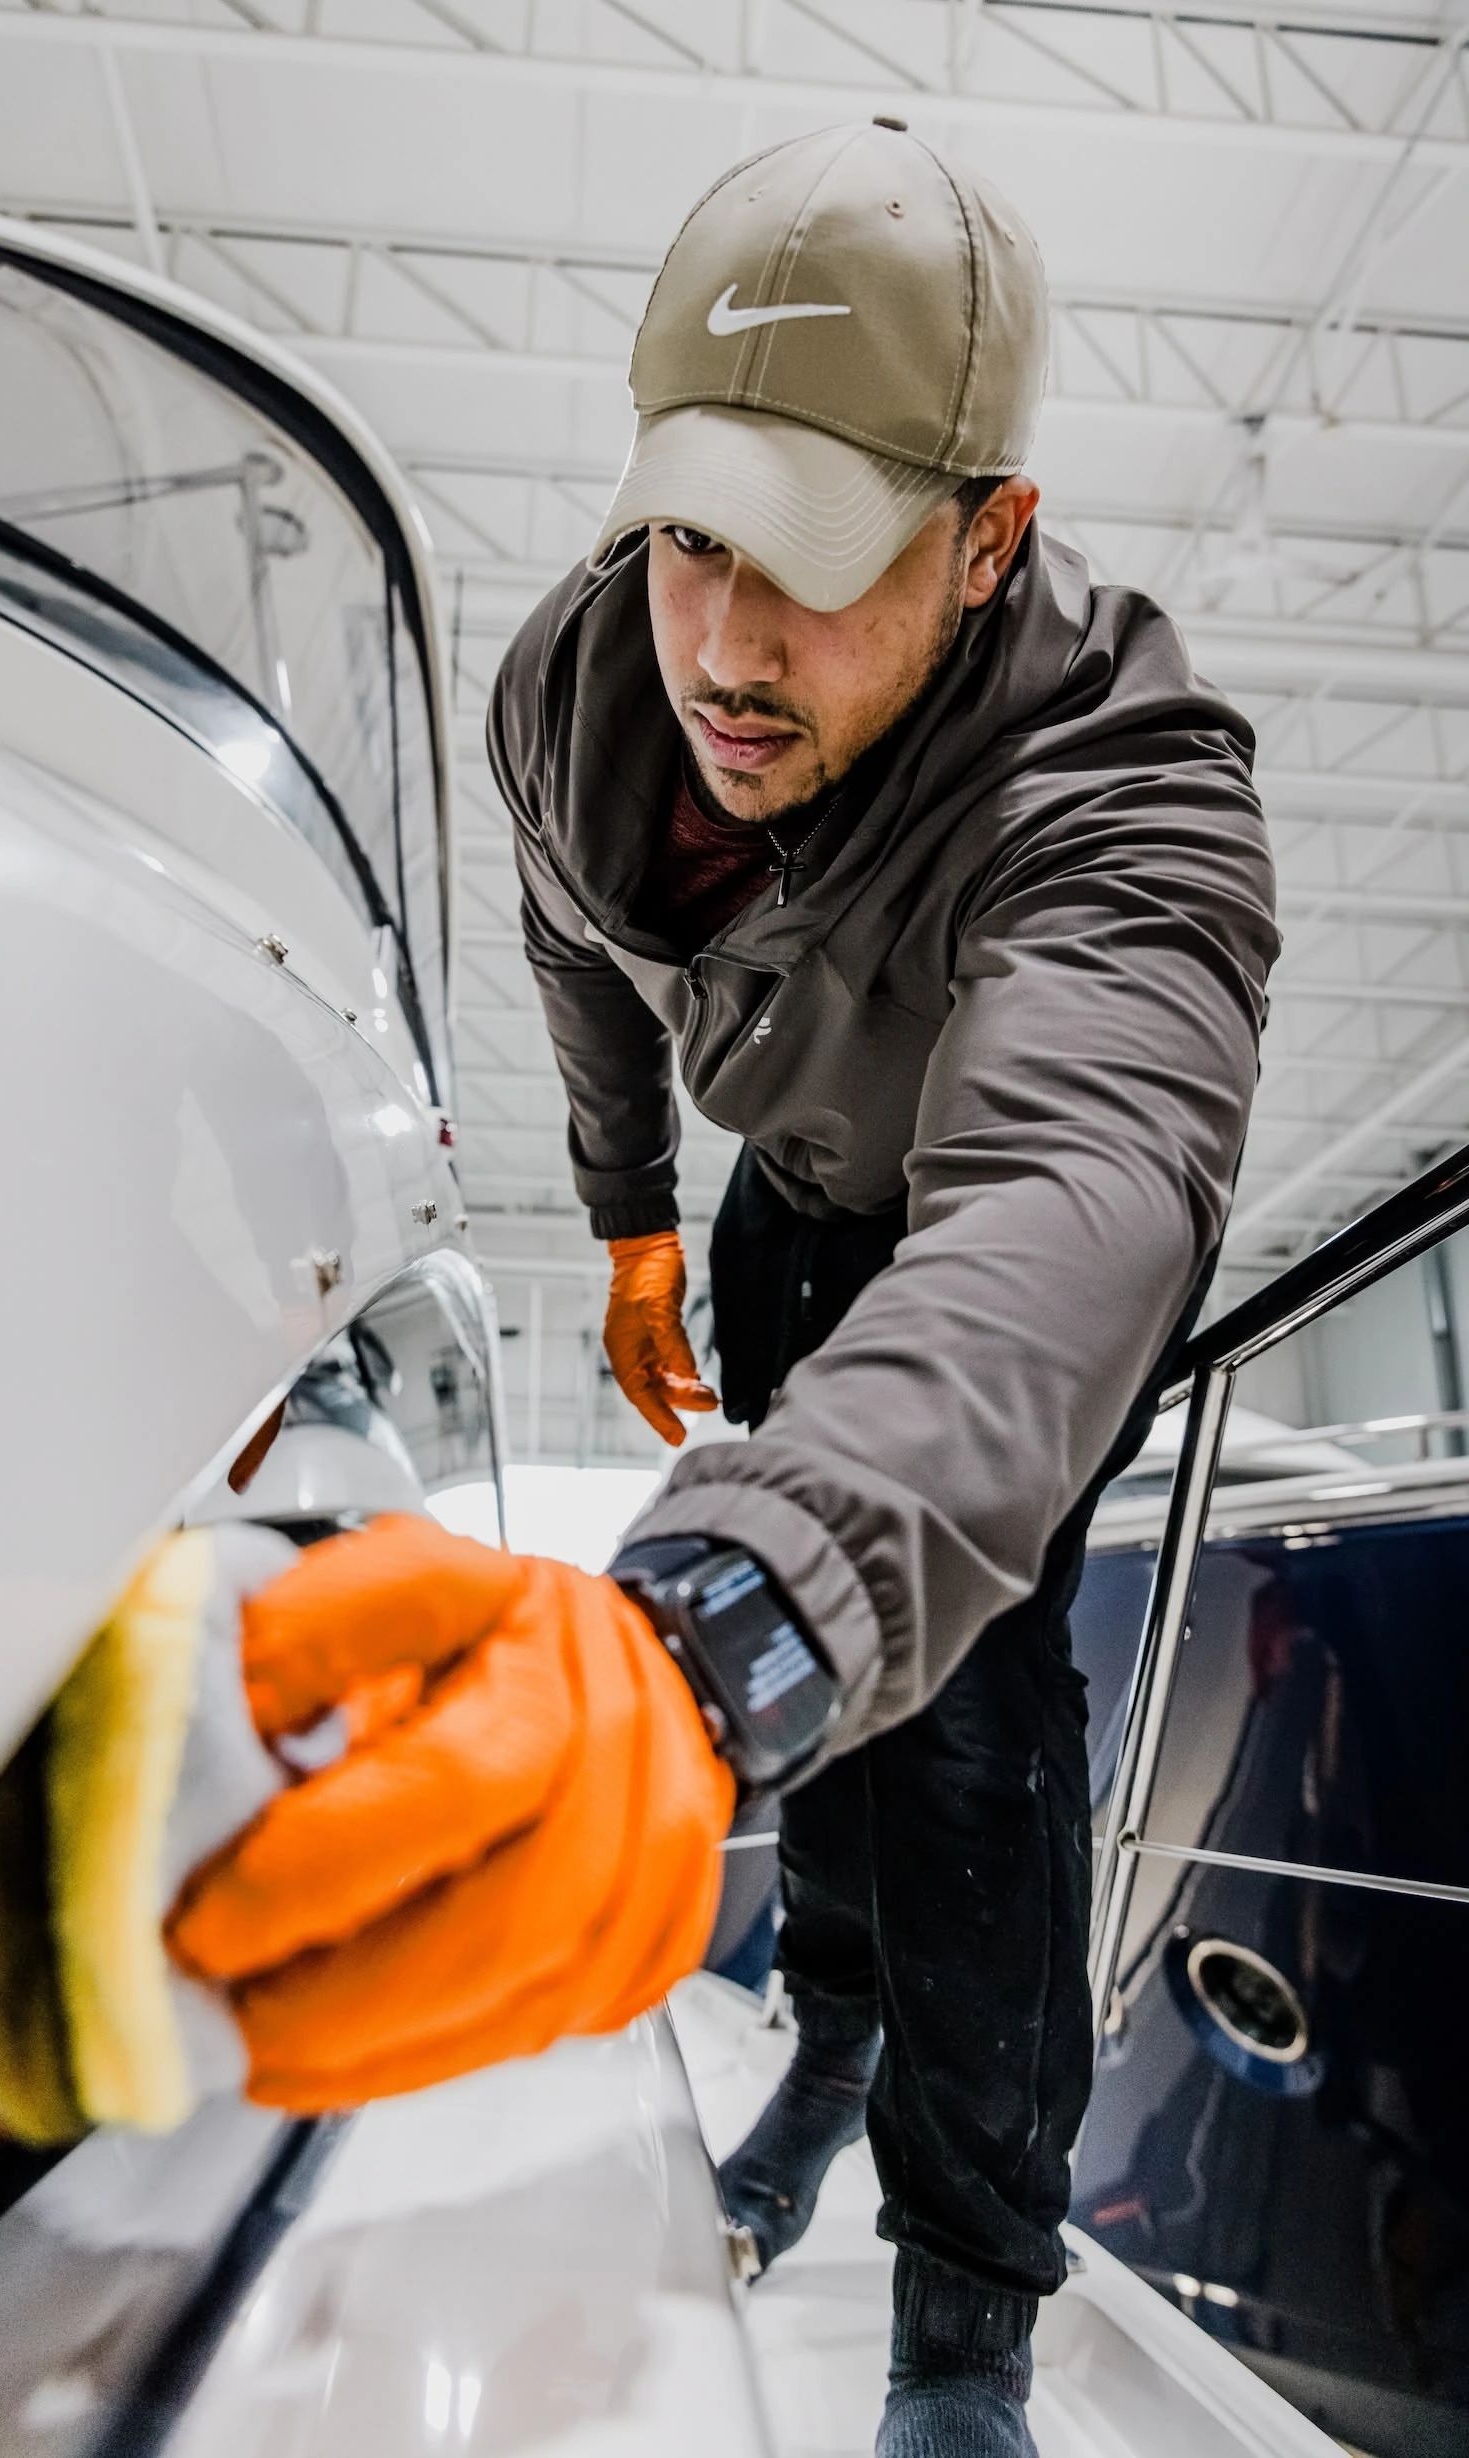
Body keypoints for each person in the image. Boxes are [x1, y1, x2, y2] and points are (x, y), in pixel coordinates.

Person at [484, 118, 1278, 2456]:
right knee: (840, 1744)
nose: (724, 642)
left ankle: (964, 2313)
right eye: (691, 537)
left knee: (967, 1726)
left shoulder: (1124, 791)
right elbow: (573, 940)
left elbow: (1076, 1186)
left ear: (991, 533)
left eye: (816, 567)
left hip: (988, 1257)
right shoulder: (580, 685)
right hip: (777, 1218)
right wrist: (629, 1203)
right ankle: (822, 2040)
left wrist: (734, 1601)